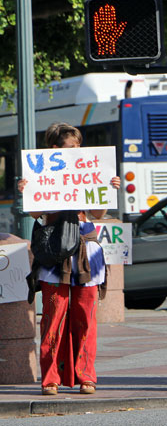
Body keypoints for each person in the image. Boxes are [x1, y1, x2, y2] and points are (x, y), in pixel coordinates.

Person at [19, 122, 121, 395]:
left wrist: (109, 189)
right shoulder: (41, 174)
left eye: (79, 146)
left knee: (86, 317)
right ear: (55, 149)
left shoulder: (90, 171)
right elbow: (36, 215)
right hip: (55, 253)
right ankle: (50, 378)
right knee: (53, 316)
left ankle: (86, 375)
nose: (79, 151)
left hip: (87, 252)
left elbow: (97, 214)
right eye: (72, 146)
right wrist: (27, 191)